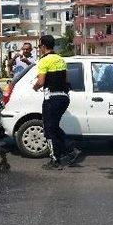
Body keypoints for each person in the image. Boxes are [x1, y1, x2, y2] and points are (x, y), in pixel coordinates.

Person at [33, 35, 79, 169]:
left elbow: (41, 82)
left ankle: (55, 160)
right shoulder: (61, 59)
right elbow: (64, 79)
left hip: (51, 98)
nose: (39, 48)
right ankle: (70, 150)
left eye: (39, 46)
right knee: (53, 127)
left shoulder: (43, 61)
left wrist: (35, 87)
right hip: (64, 98)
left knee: (49, 129)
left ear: (43, 46)